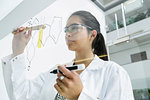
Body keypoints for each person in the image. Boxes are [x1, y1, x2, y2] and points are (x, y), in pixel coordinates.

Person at [2, 11, 134, 100]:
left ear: (92, 35)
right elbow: (23, 94)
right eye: (66, 30)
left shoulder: (113, 72)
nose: (67, 34)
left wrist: (79, 96)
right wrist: (18, 51)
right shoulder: (56, 71)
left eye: (74, 28)